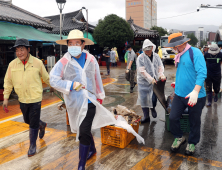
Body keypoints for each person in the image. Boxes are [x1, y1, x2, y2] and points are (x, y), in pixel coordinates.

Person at [49, 30, 116, 170]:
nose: (73, 46)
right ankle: (92, 149)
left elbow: (97, 78)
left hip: (90, 100)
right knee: (83, 128)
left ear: (83, 44)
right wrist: (71, 85)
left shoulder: (91, 59)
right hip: (74, 102)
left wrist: (100, 96)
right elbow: (53, 80)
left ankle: (81, 165)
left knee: (84, 131)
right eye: (70, 43)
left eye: (77, 43)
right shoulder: (64, 61)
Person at [2, 38, 49, 157]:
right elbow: (8, 82)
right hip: (22, 98)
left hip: (35, 98)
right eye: (17, 50)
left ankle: (32, 145)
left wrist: (54, 86)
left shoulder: (37, 63)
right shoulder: (12, 64)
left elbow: (46, 77)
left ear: (28, 49)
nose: (19, 53)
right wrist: (6, 98)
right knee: (27, 120)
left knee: (32, 123)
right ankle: (42, 124)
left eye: (22, 49)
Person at [164, 33, 207, 155]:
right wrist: (177, 82)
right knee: (172, 118)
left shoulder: (195, 52)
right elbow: (184, 71)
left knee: (194, 121)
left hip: (195, 95)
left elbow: (202, 73)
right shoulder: (179, 54)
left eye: (174, 46)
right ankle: (179, 137)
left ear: (181, 44)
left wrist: (196, 91)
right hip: (179, 94)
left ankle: (192, 142)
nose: (172, 48)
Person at [136, 39, 166, 123]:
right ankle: (146, 116)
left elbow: (160, 66)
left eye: (149, 50)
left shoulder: (156, 56)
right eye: (145, 50)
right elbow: (142, 71)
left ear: (152, 48)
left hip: (154, 82)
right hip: (143, 82)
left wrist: (161, 75)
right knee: (144, 99)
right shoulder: (140, 58)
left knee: (153, 99)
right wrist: (150, 79)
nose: (147, 52)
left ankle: (152, 108)